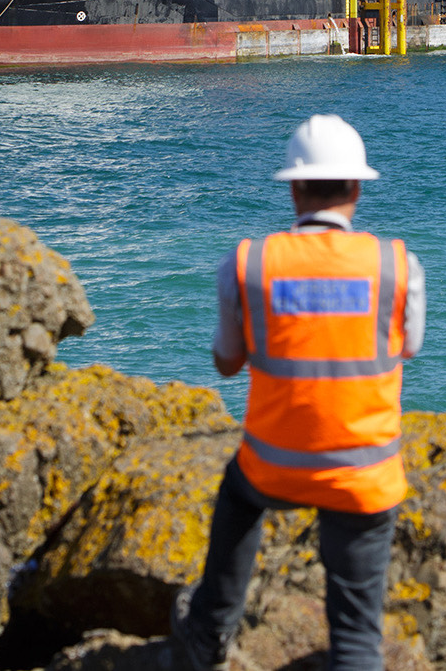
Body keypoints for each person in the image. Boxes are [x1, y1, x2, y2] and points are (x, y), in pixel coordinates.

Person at [172, 115, 422, 671]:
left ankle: (209, 633)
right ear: (358, 188)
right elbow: (407, 348)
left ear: (293, 188)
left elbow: (227, 363)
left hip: (273, 467)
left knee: (238, 493)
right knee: (358, 642)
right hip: (365, 470)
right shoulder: (397, 264)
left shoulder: (249, 263)